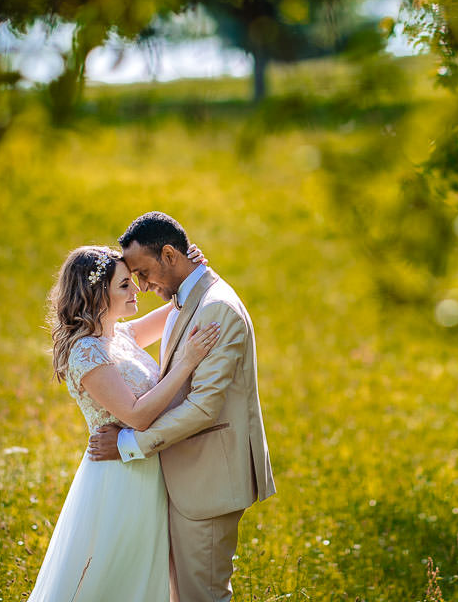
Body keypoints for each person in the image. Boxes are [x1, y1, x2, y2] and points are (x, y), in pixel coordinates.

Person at [88, 211, 276, 602]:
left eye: (143, 273)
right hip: (181, 475)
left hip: (207, 478)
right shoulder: (184, 299)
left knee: (201, 597)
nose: (141, 285)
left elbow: (204, 408)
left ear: (170, 255)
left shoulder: (215, 308)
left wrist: (128, 444)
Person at [26, 243, 217, 602]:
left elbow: (177, 306)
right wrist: (187, 363)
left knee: (143, 574)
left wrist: (193, 272)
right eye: (125, 285)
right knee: (112, 575)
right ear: (98, 294)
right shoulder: (85, 351)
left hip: (147, 468)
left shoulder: (121, 335)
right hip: (118, 479)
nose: (137, 291)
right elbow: (138, 416)